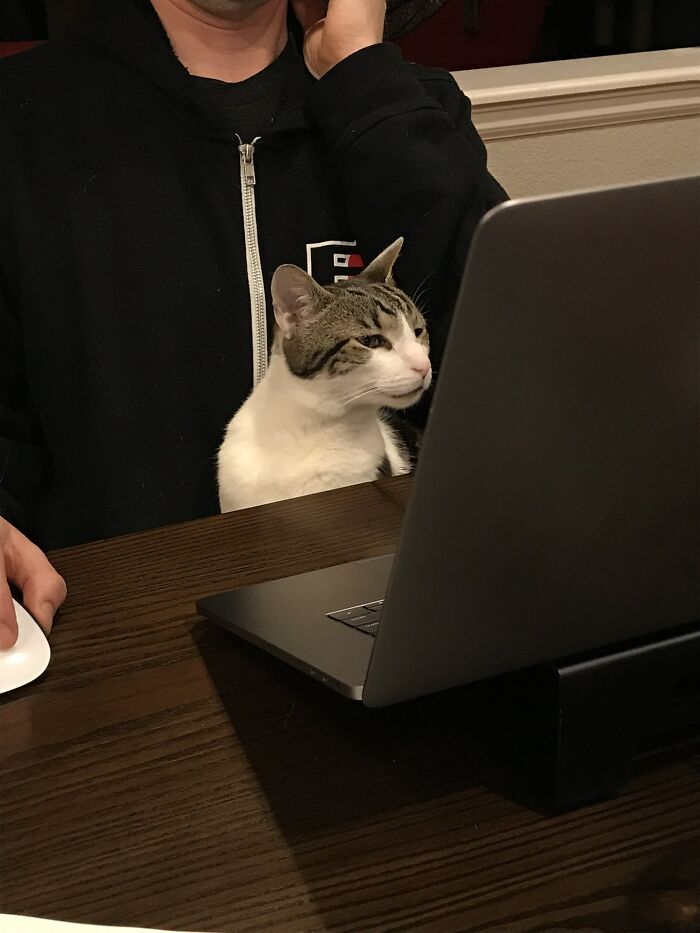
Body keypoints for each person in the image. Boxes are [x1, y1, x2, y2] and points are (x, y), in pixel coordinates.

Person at [0, 0, 506, 647]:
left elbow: (519, 384)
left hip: (393, 639)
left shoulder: (409, 107)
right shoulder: (24, 119)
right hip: (114, 650)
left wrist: (364, 86)